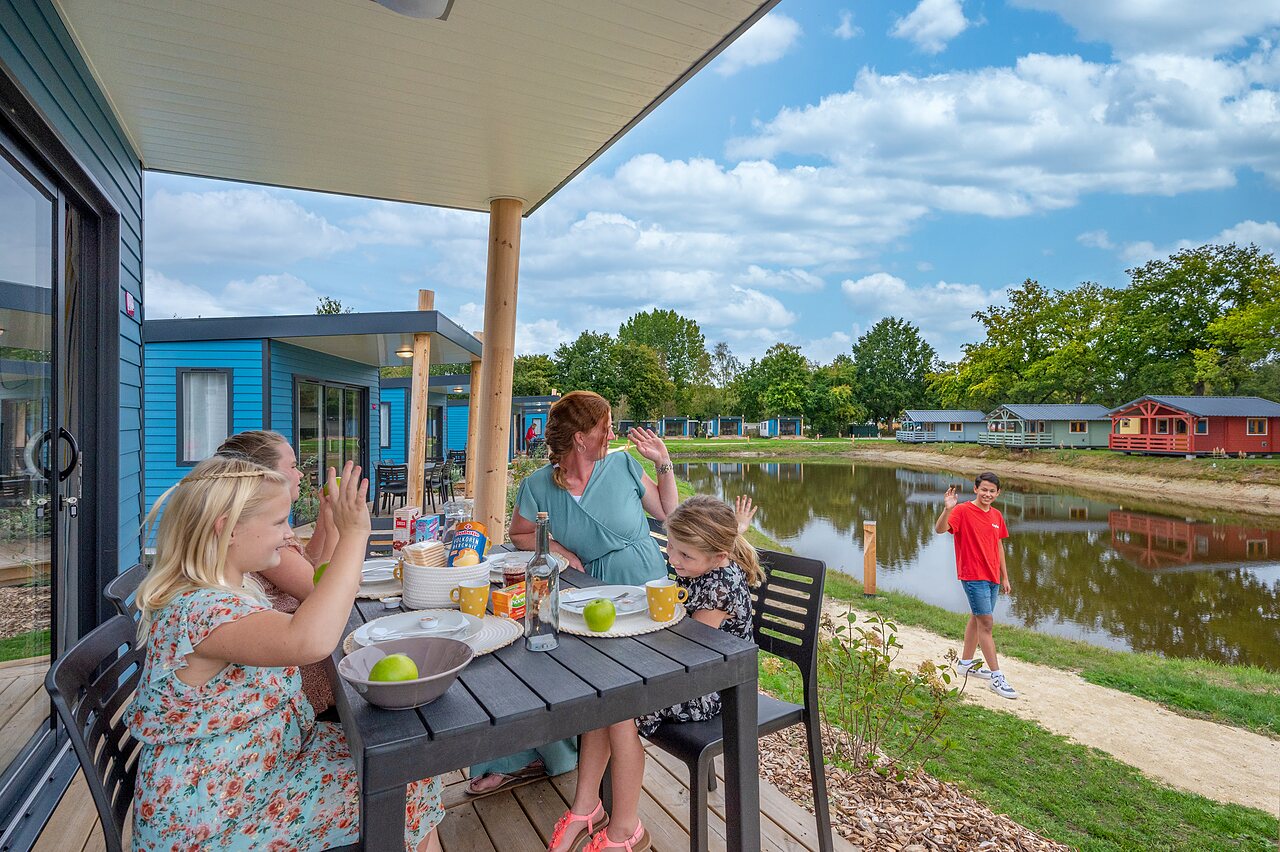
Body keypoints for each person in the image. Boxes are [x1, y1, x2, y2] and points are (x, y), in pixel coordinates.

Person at [127, 457, 444, 850]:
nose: (287, 534)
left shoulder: (228, 591)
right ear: (226, 530)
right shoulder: (202, 609)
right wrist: (355, 534)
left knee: (407, 764)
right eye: (279, 523)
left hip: (251, 773)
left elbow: (318, 602)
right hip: (215, 815)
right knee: (403, 777)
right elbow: (308, 640)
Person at [466, 390, 679, 796]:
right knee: (532, 658)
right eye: (606, 427)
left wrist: (662, 460)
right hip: (584, 591)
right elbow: (520, 533)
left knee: (580, 667)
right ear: (581, 438)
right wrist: (563, 554)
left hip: (640, 586)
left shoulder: (623, 466)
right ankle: (528, 755)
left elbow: (669, 514)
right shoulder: (538, 485)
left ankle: (576, 756)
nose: (612, 433)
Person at [548, 495, 763, 852]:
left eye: (683, 555)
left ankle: (625, 829)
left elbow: (690, 648)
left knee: (620, 711)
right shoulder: (704, 564)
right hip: (686, 670)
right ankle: (586, 808)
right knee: (604, 695)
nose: (673, 560)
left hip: (711, 687)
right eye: (672, 549)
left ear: (718, 557)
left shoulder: (721, 586)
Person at [217, 430, 338, 713]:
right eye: (293, 466)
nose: (299, 475)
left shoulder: (257, 536)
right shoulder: (260, 546)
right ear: (264, 476)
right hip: (299, 677)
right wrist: (346, 530)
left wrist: (325, 516)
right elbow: (321, 591)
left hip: (281, 681)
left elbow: (309, 559)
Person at [934, 472, 1018, 699]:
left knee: (976, 617)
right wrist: (948, 508)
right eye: (984, 490)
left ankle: (965, 664)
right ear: (975, 489)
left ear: (998, 493)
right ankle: (997, 676)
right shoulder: (961, 511)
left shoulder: (997, 515)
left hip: (992, 576)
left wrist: (1005, 577)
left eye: (992, 491)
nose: (987, 494)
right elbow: (940, 530)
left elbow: (998, 546)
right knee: (986, 624)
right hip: (972, 575)